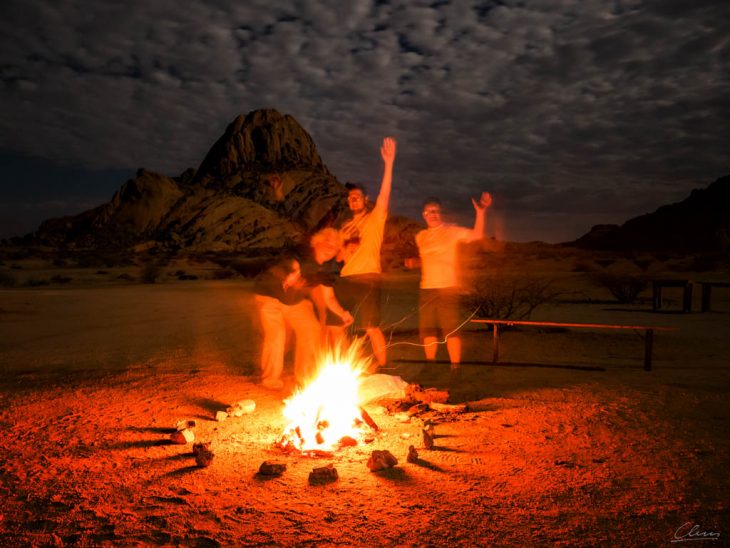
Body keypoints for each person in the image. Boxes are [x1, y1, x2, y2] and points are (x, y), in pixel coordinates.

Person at [336, 137, 397, 370]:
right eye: (350, 198)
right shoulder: (344, 227)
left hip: (369, 277)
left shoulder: (375, 219)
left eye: (357, 197)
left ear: (365, 200)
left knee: (371, 326)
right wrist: (343, 249)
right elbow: (340, 258)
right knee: (338, 322)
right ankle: (340, 365)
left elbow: (385, 195)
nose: (353, 201)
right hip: (346, 278)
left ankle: (382, 366)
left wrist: (388, 164)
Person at [414, 191, 492, 368]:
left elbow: (477, 236)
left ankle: (455, 368)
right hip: (426, 289)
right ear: (423, 215)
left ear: (441, 213)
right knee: (428, 330)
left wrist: (481, 212)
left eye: (435, 211)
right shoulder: (420, 237)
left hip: (447, 288)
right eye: (428, 212)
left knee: (451, 331)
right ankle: (430, 366)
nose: (432, 215)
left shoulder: (452, 230)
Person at [253, 252, 352, 390]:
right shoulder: (293, 260)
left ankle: (304, 376)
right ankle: (270, 379)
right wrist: (290, 274)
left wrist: (342, 313)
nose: (329, 249)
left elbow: (328, 297)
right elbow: (279, 267)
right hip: (269, 298)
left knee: (311, 330)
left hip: (295, 302)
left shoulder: (324, 271)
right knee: (277, 335)